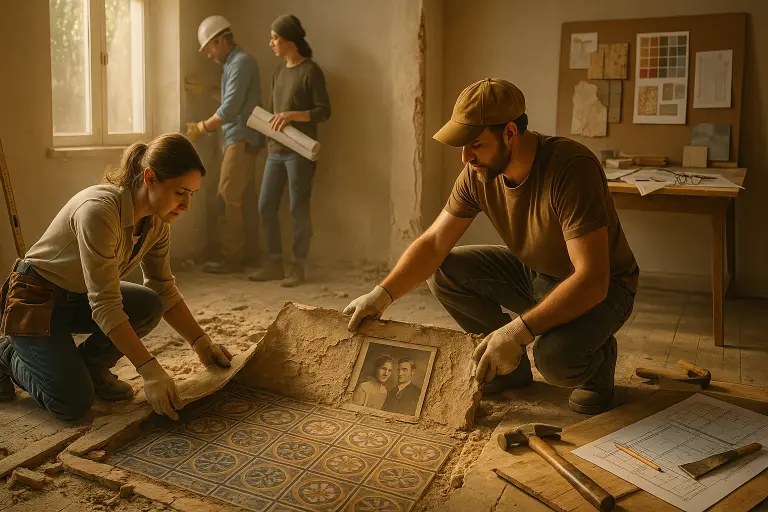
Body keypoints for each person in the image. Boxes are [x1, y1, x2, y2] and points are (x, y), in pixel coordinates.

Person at [344, 79, 638, 415]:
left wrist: (517, 332)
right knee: (446, 271)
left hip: (605, 288)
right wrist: (381, 295)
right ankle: (506, 368)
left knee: (554, 359)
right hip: (537, 273)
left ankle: (599, 362)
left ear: (510, 133)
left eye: (475, 145)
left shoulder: (571, 168)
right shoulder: (478, 172)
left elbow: (592, 279)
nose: (466, 158)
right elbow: (434, 243)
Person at [0, 134, 233, 421]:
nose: (186, 204)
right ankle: (6, 354)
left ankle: (92, 366)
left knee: (149, 303)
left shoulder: (157, 223)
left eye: (191, 194)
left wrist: (202, 343)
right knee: (72, 403)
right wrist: (151, 372)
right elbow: (106, 305)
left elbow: (163, 289)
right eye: (180, 192)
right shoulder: (99, 210)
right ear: (150, 178)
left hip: (80, 296)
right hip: (35, 301)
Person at [248, 14, 331, 287]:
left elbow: (323, 111)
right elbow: (271, 113)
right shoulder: (278, 72)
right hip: (275, 151)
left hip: (300, 152)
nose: (271, 43)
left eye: (275, 38)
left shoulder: (311, 71)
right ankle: (274, 262)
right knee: (265, 206)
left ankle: (298, 266)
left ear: (290, 41)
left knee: (298, 209)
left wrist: (292, 115)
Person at [187, 15, 265, 275]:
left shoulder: (240, 63)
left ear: (220, 41)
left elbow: (230, 107)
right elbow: (235, 98)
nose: (208, 54)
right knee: (241, 198)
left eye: (209, 48)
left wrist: (202, 127)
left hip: (240, 139)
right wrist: (207, 90)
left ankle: (233, 258)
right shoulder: (235, 64)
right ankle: (248, 254)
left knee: (227, 197)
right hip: (241, 138)